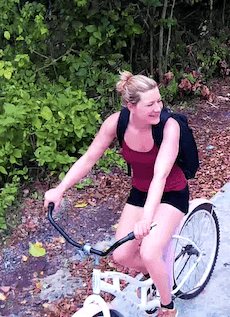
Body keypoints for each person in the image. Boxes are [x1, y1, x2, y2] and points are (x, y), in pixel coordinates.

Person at [44, 72, 187, 317]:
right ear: (131, 106)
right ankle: (159, 273)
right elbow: (89, 159)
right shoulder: (116, 123)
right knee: (121, 255)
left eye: (159, 101)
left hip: (171, 192)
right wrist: (60, 189)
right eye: (150, 104)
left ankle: (168, 305)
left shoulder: (169, 126)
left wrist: (147, 219)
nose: (158, 108)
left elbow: (160, 176)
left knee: (149, 251)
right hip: (140, 192)